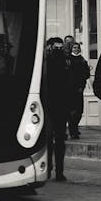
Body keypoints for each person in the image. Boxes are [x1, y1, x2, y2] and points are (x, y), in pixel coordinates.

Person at [42, 36, 74, 181]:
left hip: (60, 106)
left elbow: (69, 85)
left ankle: (58, 171)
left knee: (59, 140)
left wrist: (70, 106)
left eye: (61, 48)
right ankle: (49, 169)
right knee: (49, 139)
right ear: (49, 48)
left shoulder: (66, 63)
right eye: (56, 48)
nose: (59, 51)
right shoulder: (44, 64)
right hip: (48, 106)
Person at [67, 41, 90, 139]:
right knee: (72, 111)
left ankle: (74, 127)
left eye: (77, 48)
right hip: (70, 89)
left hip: (79, 89)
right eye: (74, 48)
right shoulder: (68, 60)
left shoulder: (83, 60)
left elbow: (86, 74)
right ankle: (73, 130)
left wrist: (82, 86)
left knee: (79, 111)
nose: (76, 49)